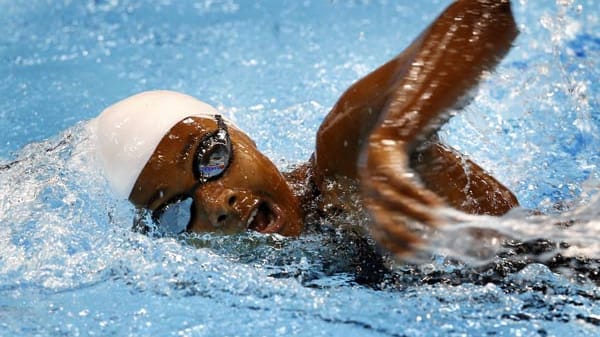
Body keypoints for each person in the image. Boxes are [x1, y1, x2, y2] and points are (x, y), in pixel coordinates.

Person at [95, 0, 519, 257]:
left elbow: (485, 12)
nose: (215, 203)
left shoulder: (347, 161)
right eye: (174, 210)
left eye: (211, 158)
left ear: (243, 137)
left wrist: (393, 137)